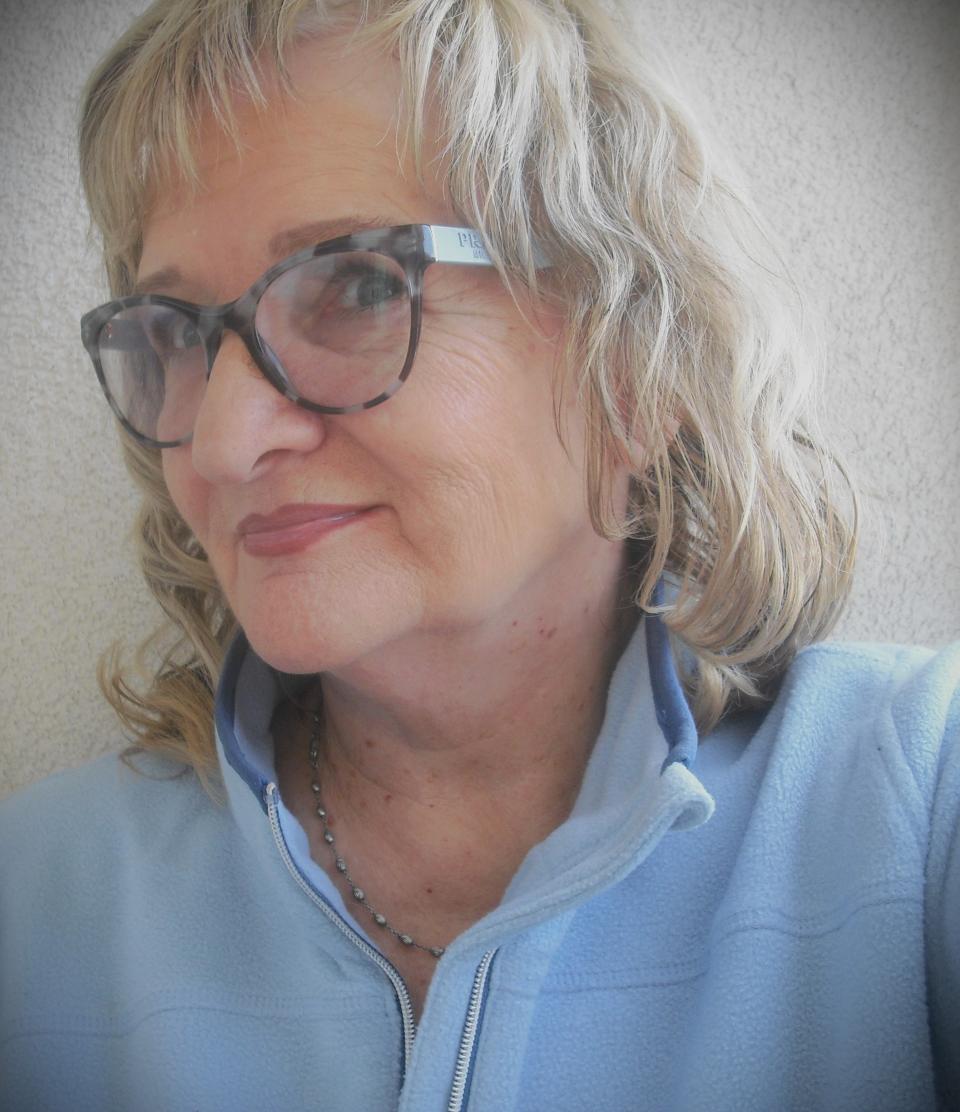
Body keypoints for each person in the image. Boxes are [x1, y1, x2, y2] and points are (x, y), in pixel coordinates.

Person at [1, 0, 957, 1108]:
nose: (222, 442)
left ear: (632, 361)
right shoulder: (37, 904)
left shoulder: (911, 805)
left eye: (357, 286)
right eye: (174, 332)